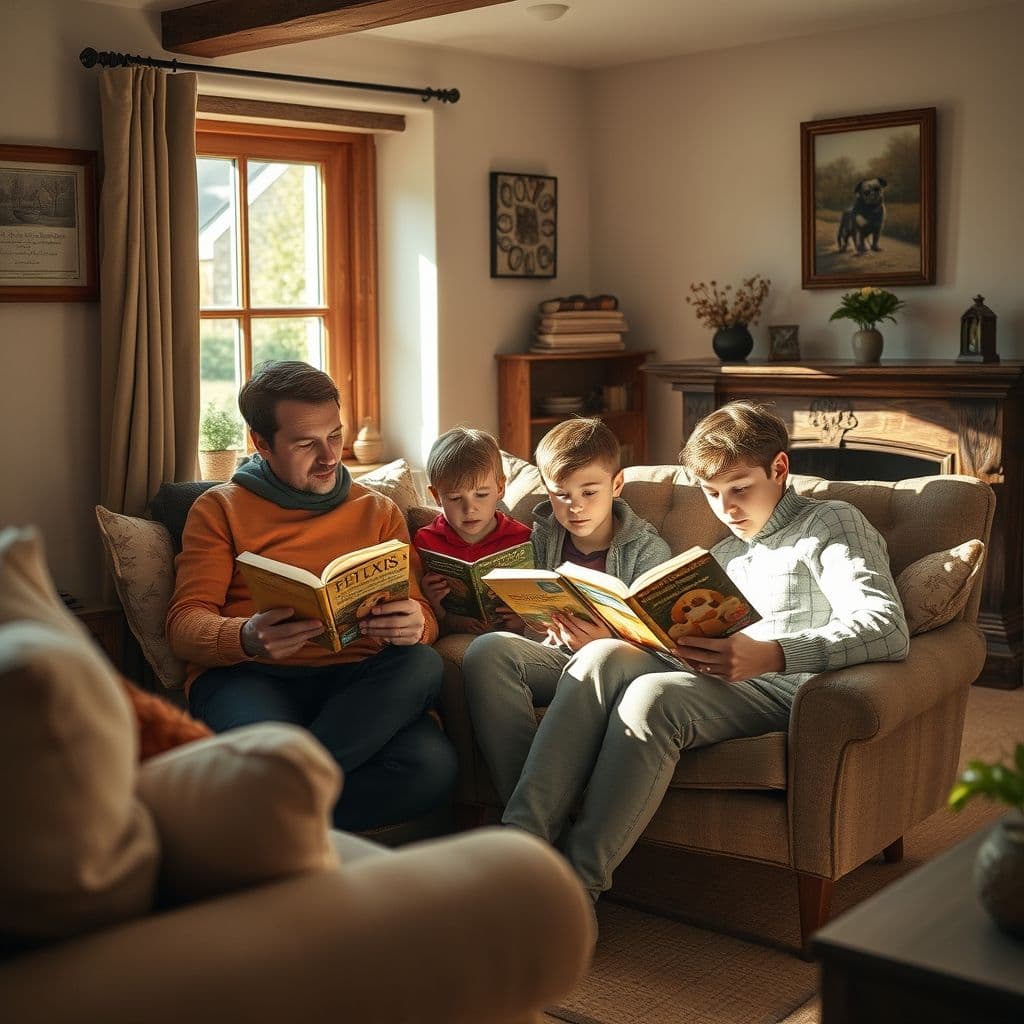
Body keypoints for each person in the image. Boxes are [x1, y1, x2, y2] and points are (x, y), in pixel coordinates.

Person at [500, 400, 910, 906]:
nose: (728, 509)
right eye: (713, 494)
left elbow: (886, 627)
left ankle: (575, 891)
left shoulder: (831, 522)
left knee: (654, 697)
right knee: (600, 657)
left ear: (779, 469)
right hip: (714, 678)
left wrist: (775, 653)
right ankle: (519, 853)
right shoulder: (726, 554)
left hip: (791, 686)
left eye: (740, 488)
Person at [167, 360, 456, 832]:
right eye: (306, 444)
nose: (329, 457)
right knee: (275, 751)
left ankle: (272, 807)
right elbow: (183, 624)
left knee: (430, 752)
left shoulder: (378, 511)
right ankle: (287, 807)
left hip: (358, 684)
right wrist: (246, 636)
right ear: (262, 443)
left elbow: (421, 609)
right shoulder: (219, 510)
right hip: (252, 676)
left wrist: (417, 624)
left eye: (335, 437)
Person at [462, 417, 671, 805]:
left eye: (589, 492)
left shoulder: (647, 549)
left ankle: (531, 821)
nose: (575, 507)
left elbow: (662, 646)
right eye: (561, 494)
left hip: (615, 668)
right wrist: (521, 621)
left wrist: (610, 640)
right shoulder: (540, 536)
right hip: (554, 656)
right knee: (485, 651)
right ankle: (527, 809)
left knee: (601, 654)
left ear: (616, 485)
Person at [414, 426, 532, 636]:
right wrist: (436, 606)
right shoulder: (426, 541)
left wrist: (522, 620)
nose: (470, 509)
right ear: (436, 496)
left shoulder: (523, 539)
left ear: (500, 488)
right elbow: (423, 616)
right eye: (455, 498)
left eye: (481, 494)